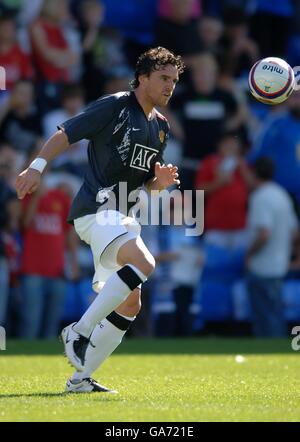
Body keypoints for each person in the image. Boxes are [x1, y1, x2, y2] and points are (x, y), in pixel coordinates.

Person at [15, 47, 184, 393]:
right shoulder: (116, 106)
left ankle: (80, 379)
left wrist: (159, 183)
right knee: (145, 262)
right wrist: (36, 166)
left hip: (122, 216)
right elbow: (67, 132)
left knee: (131, 302)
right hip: (96, 210)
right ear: (142, 77)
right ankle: (77, 331)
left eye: (175, 81)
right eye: (164, 78)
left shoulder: (162, 128)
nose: (170, 86)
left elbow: (142, 187)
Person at [246, 157, 298, 337]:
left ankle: (266, 351)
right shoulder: (282, 194)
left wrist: (249, 254)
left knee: (264, 318)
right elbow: (295, 232)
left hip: (262, 266)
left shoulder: (260, 197)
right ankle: (275, 351)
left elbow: (264, 233)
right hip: (280, 264)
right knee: (275, 314)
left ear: (254, 173)